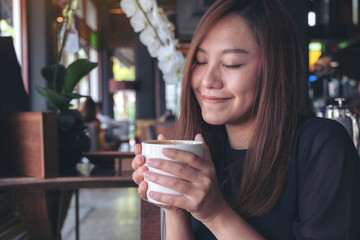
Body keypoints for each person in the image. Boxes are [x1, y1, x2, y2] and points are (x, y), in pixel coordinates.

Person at [132, 0, 360, 239]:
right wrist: (175, 206)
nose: (207, 80)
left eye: (231, 64)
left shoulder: (322, 146)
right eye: (200, 61)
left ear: (275, 68)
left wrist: (214, 213)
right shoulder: (205, 152)